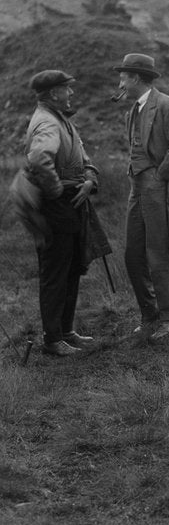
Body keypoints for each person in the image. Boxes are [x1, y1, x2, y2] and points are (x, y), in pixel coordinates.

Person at [113, 53, 169, 343]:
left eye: (123, 77)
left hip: (158, 188)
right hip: (137, 189)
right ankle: (148, 314)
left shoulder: (167, 105)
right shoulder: (133, 110)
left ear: (136, 78)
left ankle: (168, 316)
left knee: (159, 254)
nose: (120, 83)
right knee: (133, 255)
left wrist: (160, 176)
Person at [20, 70, 100, 356]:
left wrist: (89, 177)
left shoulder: (61, 119)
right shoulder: (46, 122)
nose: (72, 93)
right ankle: (52, 340)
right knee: (55, 272)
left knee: (71, 268)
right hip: (56, 207)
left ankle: (65, 332)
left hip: (69, 204)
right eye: (67, 88)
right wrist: (57, 191)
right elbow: (40, 161)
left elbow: (83, 156)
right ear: (54, 93)